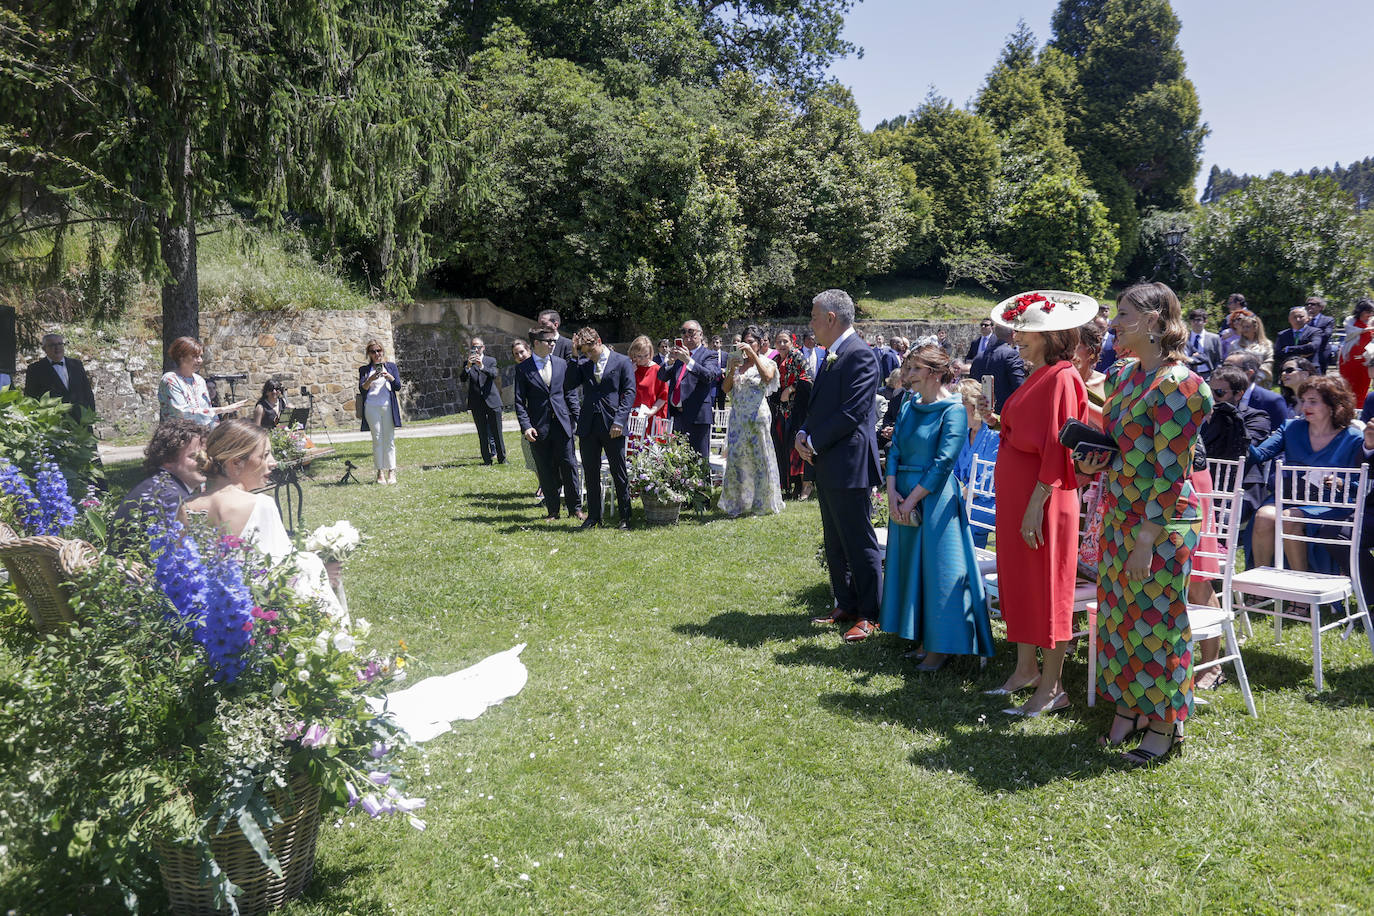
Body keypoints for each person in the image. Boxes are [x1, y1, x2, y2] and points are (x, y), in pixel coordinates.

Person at [1077, 282, 1211, 765]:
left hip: (1163, 522)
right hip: (1119, 513)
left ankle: (1165, 724)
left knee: (1157, 624)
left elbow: (1172, 472)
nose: (1112, 323)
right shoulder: (1123, 375)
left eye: (1123, 315)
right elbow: (1121, 445)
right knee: (1118, 620)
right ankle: (1130, 710)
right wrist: (1093, 461)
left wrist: (1146, 541)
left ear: (1154, 322)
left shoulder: (1182, 385)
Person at [981, 291, 1092, 716]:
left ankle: (1052, 687)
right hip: (1022, 495)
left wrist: (1035, 504)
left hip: (1044, 497)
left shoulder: (1063, 375)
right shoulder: (1038, 373)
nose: (1017, 337)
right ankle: (1025, 669)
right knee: (1022, 584)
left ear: (1053, 336)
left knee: (1049, 588)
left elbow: (1057, 446)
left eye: (1028, 333)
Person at [878, 345, 994, 670]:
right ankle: (920, 637)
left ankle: (941, 647)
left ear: (932, 372)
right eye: (907, 368)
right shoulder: (908, 403)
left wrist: (911, 499)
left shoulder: (954, 409)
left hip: (935, 499)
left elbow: (944, 462)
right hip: (901, 493)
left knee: (938, 571)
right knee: (912, 568)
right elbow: (896, 447)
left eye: (914, 369)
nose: (907, 375)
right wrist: (891, 493)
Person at [184, 419, 344, 618]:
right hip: (257, 622)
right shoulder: (259, 505)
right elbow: (284, 574)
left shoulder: (184, 508)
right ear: (235, 463)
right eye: (265, 455)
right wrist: (320, 567)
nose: (273, 462)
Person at [796, 290, 883, 643]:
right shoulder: (833, 354)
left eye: (815, 317)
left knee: (858, 539)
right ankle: (845, 602)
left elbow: (851, 413)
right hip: (829, 460)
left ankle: (870, 614)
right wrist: (804, 432)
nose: (812, 324)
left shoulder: (859, 354)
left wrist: (813, 442)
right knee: (834, 539)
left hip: (849, 463)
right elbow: (821, 408)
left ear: (832, 318)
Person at [1248, 375, 1368, 575]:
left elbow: (1361, 483)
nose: (1305, 406)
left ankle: (1300, 588)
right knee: (1264, 516)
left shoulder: (1353, 438)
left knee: (1289, 518)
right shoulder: (1291, 427)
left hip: (1330, 502)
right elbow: (1259, 455)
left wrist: (1340, 482)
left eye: (1313, 401)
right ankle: (1261, 583)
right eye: (1303, 400)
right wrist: (1241, 438)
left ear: (1334, 405)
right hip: (1291, 496)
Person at [565, 327, 636, 530]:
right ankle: (593, 517)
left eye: (590, 351)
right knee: (590, 472)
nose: (588, 355)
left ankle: (625, 516)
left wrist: (620, 421)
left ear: (598, 341)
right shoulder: (584, 364)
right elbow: (569, 383)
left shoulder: (621, 362)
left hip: (613, 425)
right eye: (584, 352)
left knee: (618, 471)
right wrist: (574, 356)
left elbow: (629, 393)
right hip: (588, 425)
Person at [514, 327, 583, 522]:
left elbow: (570, 393)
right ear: (536, 343)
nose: (553, 344)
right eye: (549, 341)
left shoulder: (561, 364)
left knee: (569, 467)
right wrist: (526, 426)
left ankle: (575, 508)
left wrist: (578, 419)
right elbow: (519, 401)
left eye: (554, 341)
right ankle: (553, 511)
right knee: (546, 469)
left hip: (563, 425)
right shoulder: (523, 369)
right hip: (538, 427)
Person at [719, 326, 783, 517]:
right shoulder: (736, 362)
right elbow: (725, 389)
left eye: (751, 342)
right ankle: (737, 503)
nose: (746, 346)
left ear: (759, 343)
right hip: (738, 417)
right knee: (737, 459)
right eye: (744, 342)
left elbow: (767, 378)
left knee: (759, 460)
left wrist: (753, 356)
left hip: (757, 417)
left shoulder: (767, 362)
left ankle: (762, 504)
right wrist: (732, 369)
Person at [111, 419, 207, 544]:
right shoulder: (169, 497)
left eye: (206, 454)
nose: (204, 461)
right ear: (167, 459)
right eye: (194, 456)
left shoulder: (159, 485)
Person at [658, 319, 722, 460]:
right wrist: (669, 362)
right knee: (678, 462)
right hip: (678, 416)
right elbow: (661, 376)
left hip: (697, 417)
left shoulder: (709, 355)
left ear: (700, 334)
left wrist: (688, 360)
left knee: (698, 462)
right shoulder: (678, 356)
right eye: (684, 333)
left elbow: (709, 376)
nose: (688, 336)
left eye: (692, 333)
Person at [159, 336, 247, 427]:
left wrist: (216, 436)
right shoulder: (170, 379)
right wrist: (222, 409)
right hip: (178, 437)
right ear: (182, 357)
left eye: (200, 356)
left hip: (202, 436)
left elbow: (210, 415)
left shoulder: (199, 380)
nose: (200, 360)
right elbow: (182, 414)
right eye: (195, 357)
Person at [952, 378, 999, 548]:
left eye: (959, 406)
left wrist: (960, 494)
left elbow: (989, 478)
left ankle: (968, 567)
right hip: (966, 497)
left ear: (972, 406)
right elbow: (954, 471)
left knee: (958, 515)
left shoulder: (994, 434)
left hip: (993, 502)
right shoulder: (964, 434)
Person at [770, 331, 811, 498]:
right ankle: (790, 485)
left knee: (797, 447)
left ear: (792, 342)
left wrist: (791, 388)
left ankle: (805, 485)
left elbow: (808, 378)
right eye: (779, 341)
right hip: (781, 409)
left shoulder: (798, 357)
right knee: (783, 446)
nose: (781, 345)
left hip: (797, 409)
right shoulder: (775, 360)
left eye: (785, 341)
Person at [356, 341, 403, 484]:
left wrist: (390, 377)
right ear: (368, 354)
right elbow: (362, 389)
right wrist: (370, 379)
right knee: (377, 439)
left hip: (387, 406)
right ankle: (380, 473)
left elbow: (398, 386)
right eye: (372, 351)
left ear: (382, 351)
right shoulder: (364, 369)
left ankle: (391, 472)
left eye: (379, 350)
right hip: (371, 407)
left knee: (389, 439)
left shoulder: (391, 367)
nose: (376, 354)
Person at [24, 333, 96, 417]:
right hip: (55, 420)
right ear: (44, 349)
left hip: (81, 419)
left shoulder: (76, 364)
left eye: (60, 344)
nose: (57, 348)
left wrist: (91, 414)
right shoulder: (35, 369)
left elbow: (87, 391)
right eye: (52, 345)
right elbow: (30, 397)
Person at [461, 337, 506, 466]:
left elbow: (494, 374)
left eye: (478, 347)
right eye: (473, 347)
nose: (476, 349)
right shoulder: (467, 363)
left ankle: (502, 459)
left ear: (483, 348)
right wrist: (468, 367)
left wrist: (482, 366)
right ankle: (487, 460)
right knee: (482, 433)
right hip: (476, 403)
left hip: (492, 401)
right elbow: (462, 378)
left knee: (497, 432)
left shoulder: (490, 361)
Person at [1223, 350, 1288, 433]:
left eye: (1229, 368)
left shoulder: (1272, 401)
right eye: (1223, 366)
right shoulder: (1218, 396)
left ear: (1248, 374)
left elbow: (1281, 435)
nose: (1223, 372)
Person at [969, 321, 1026, 414]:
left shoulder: (978, 357)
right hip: (1005, 413)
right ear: (1013, 334)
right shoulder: (1011, 354)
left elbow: (972, 386)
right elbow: (1019, 387)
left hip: (981, 413)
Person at [510, 339, 541, 481]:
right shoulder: (520, 371)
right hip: (528, 419)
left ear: (529, 350)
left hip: (543, 417)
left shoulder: (540, 367)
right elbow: (519, 400)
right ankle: (542, 483)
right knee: (529, 452)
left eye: (522, 352)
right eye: (516, 354)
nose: (520, 356)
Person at [626, 335, 669, 428]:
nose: (643, 359)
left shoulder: (657, 370)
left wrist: (651, 412)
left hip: (651, 417)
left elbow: (664, 396)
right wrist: (629, 373)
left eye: (646, 355)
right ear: (633, 355)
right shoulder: (628, 368)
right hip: (631, 420)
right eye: (639, 356)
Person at [1273, 306, 1320, 386]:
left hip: (1310, 370)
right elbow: (1278, 353)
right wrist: (1303, 350)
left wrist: (1288, 348)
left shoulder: (1315, 332)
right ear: (1289, 320)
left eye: (1301, 317)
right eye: (1294, 317)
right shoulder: (1282, 335)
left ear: (1307, 318)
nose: (1298, 319)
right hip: (1289, 372)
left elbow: (1313, 347)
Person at [1338, 298, 1374, 403]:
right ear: (1360, 311)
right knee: (1348, 386)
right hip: (1349, 359)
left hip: (1365, 361)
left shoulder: (1372, 321)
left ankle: (1360, 410)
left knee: (1363, 386)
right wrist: (1367, 329)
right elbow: (1351, 332)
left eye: (1372, 312)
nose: (1370, 314)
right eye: (1367, 311)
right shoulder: (1350, 320)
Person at [1232, 311, 1274, 385]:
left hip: (1261, 381)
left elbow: (1268, 362)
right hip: (1240, 381)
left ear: (1255, 328)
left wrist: (1258, 378)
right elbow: (1231, 363)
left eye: (1247, 327)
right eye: (1243, 327)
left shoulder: (1267, 344)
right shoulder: (1235, 344)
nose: (1244, 329)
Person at [1185, 308, 1222, 378]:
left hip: (1208, 375)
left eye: (1199, 320)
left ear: (1205, 321)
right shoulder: (1184, 338)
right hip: (1189, 375)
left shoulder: (1214, 338)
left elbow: (1219, 360)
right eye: (1193, 320)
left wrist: (1215, 375)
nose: (1195, 322)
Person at [1305, 295, 1336, 374]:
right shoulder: (1302, 320)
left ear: (1320, 307)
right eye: (1307, 304)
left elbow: (1327, 334)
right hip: (1305, 352)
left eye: (1313, 304)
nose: (1309, 306)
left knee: (1320, 376)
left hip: (1321, 352)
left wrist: (1313, 340)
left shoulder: (1328, 320)